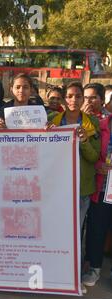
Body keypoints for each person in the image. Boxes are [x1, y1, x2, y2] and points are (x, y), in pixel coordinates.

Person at [47, 82, 100, 231]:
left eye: (78, 96)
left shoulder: (92, 123)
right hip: (55, 187)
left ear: (83, 99)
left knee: (75, 230)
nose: (74, 100)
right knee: (54, 229)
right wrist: (45, 133)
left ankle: (76, 256)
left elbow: (94, 157)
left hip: (81, 189)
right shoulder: (51, 119)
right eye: (69, 96)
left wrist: (84, 141)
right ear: (64, 100)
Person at [83, 110, 112, 288]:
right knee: (97, 229)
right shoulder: (99, 126)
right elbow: (90, 153)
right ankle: (94, 267)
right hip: (102, 188)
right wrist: (98, 165)